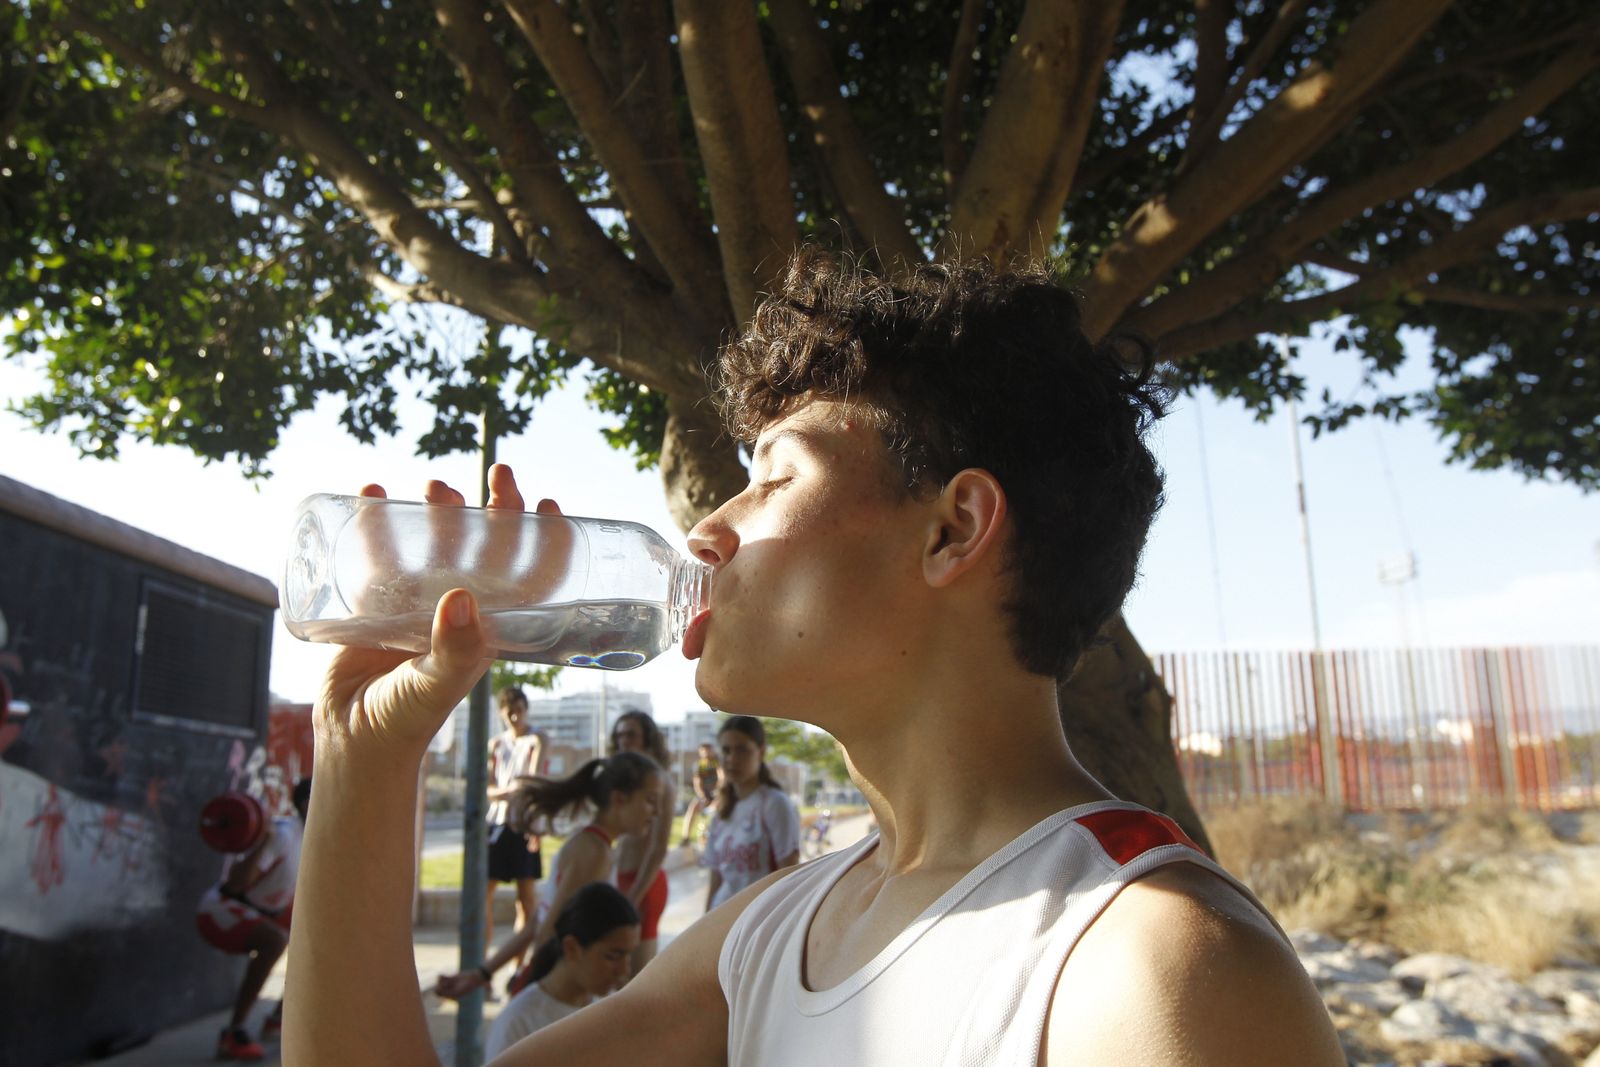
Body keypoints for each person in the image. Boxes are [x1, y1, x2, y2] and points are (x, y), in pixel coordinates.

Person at [288, 251, 1345, 1065]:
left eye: (771, 477)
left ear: (953, 527)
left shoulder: (1153, 963)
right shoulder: (769, 935)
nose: (707, 527)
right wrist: (364, 755)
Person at [433, 750, 660, 1000]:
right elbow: (548, 931)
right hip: (554, 993)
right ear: (619, 798)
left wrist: (482, 974)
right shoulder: (593, 853)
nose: (656, 812)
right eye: (650, 800)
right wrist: (538, 993)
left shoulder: (596, 847)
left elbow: (539, 922)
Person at [196, 777, 310, 1061]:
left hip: (262, 910)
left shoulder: (314, 838)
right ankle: (233, 1034)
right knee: (275, 941)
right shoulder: (283, 835)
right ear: (309, 804)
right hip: (220, 911)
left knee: (319, 941)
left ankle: (278, 1018)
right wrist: (263, 843)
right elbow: (236, 884)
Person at [482, 883, 640, 1059]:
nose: (623, 970)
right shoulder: (519, 1023)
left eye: (628, 956)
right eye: (613, 956)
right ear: (571, 948)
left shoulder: (608, 1009)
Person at [700, 716, 800, 912]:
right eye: (726, 751)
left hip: (758, 920)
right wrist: (705, 922)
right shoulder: (721, 812)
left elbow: (788, 874)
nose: (732, 759)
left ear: (760, 752)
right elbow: (716, 878)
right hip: (722, 917)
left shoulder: (774, 804)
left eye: (742, 750)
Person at [606, 708, 676, 976]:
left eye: (632, 735)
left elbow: (658, 848)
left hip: (644, 884)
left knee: (636, 977)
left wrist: (633, 896)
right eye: (620, 735)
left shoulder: (662, 783)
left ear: (647, 739)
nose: (625, 740)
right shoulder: (623, 784)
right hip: (618, 878)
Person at [485, 686, 545, 971]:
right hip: (497, 822)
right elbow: (488, 789)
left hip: (522, 824)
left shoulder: (536, 739)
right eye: (509, 712)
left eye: (519, 710)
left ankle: (517, 967)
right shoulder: (496, 744)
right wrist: (510, 790)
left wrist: (509, 791)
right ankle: (481, 959)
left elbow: (531, 782)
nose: (515, 716)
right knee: (484, 894)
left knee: (526, 899)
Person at [679, 742, 721, 847]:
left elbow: (722, 778)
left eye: (708, 750)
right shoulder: (700, 765)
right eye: (703, 751)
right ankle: (685, 838)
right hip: (705, 794)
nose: (706, 753)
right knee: (692, 808)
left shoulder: (718, 762)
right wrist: (703, 796)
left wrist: (718, 793)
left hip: (718, 794)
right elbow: (697, 783)